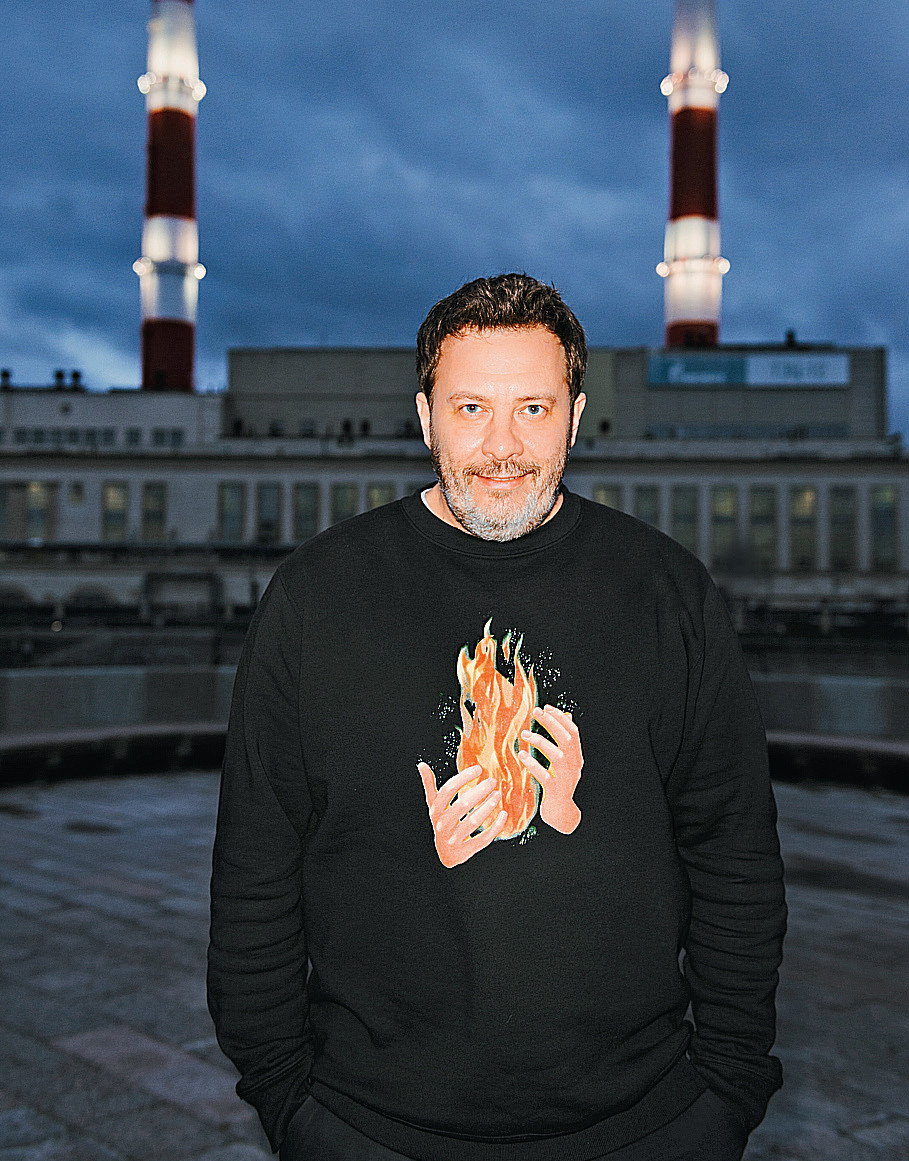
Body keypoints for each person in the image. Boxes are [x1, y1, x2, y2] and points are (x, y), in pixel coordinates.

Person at [207, 273, 786, 1161]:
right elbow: (255, 867)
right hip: (368, 1126)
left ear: (575, 416)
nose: (502, 445)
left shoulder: (665, 592)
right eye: (471, 406)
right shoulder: (315, 597)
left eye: (533, 408)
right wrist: (288, 1100)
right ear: (424, 416)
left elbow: (734, 852)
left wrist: (726, 1090)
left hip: (647, 1123)